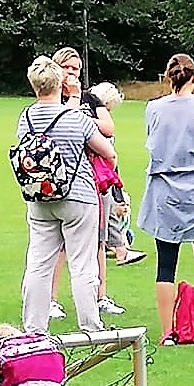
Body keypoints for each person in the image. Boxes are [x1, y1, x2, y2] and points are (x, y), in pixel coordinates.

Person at [16, 56, 117, 334]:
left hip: (40, 195)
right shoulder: (75, 118)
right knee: (83, 264)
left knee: (38, 263)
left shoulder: (25, 118)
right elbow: (107, 151)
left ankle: (34, 328)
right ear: (60, 83)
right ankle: (90, 325)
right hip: (78, 195)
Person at [138, 54, 194, 346]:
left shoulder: (154, 108)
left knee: (165, 265)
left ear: (168, 77)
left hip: (166, 194)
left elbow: (153, 142)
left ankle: (167, 333)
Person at [48, 47, 126, 319]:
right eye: (67, 68)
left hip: (95, 177)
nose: (72, 73)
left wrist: (84, 115)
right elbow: (62, 124)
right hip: (62, 177)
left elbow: (108, 127)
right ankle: (51, 299)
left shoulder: (90, 98)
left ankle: (100, 295)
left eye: (76, 69)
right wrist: (79, 113)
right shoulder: (51, 98)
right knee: (59, 243)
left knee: (99, 240)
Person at [88, 81, 147, 268]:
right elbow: (110, 159)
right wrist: (118, 193)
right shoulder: (98, 127)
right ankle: (121, 250)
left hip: (97, 175)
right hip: (101, 176)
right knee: (111, 210)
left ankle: (114, 246)